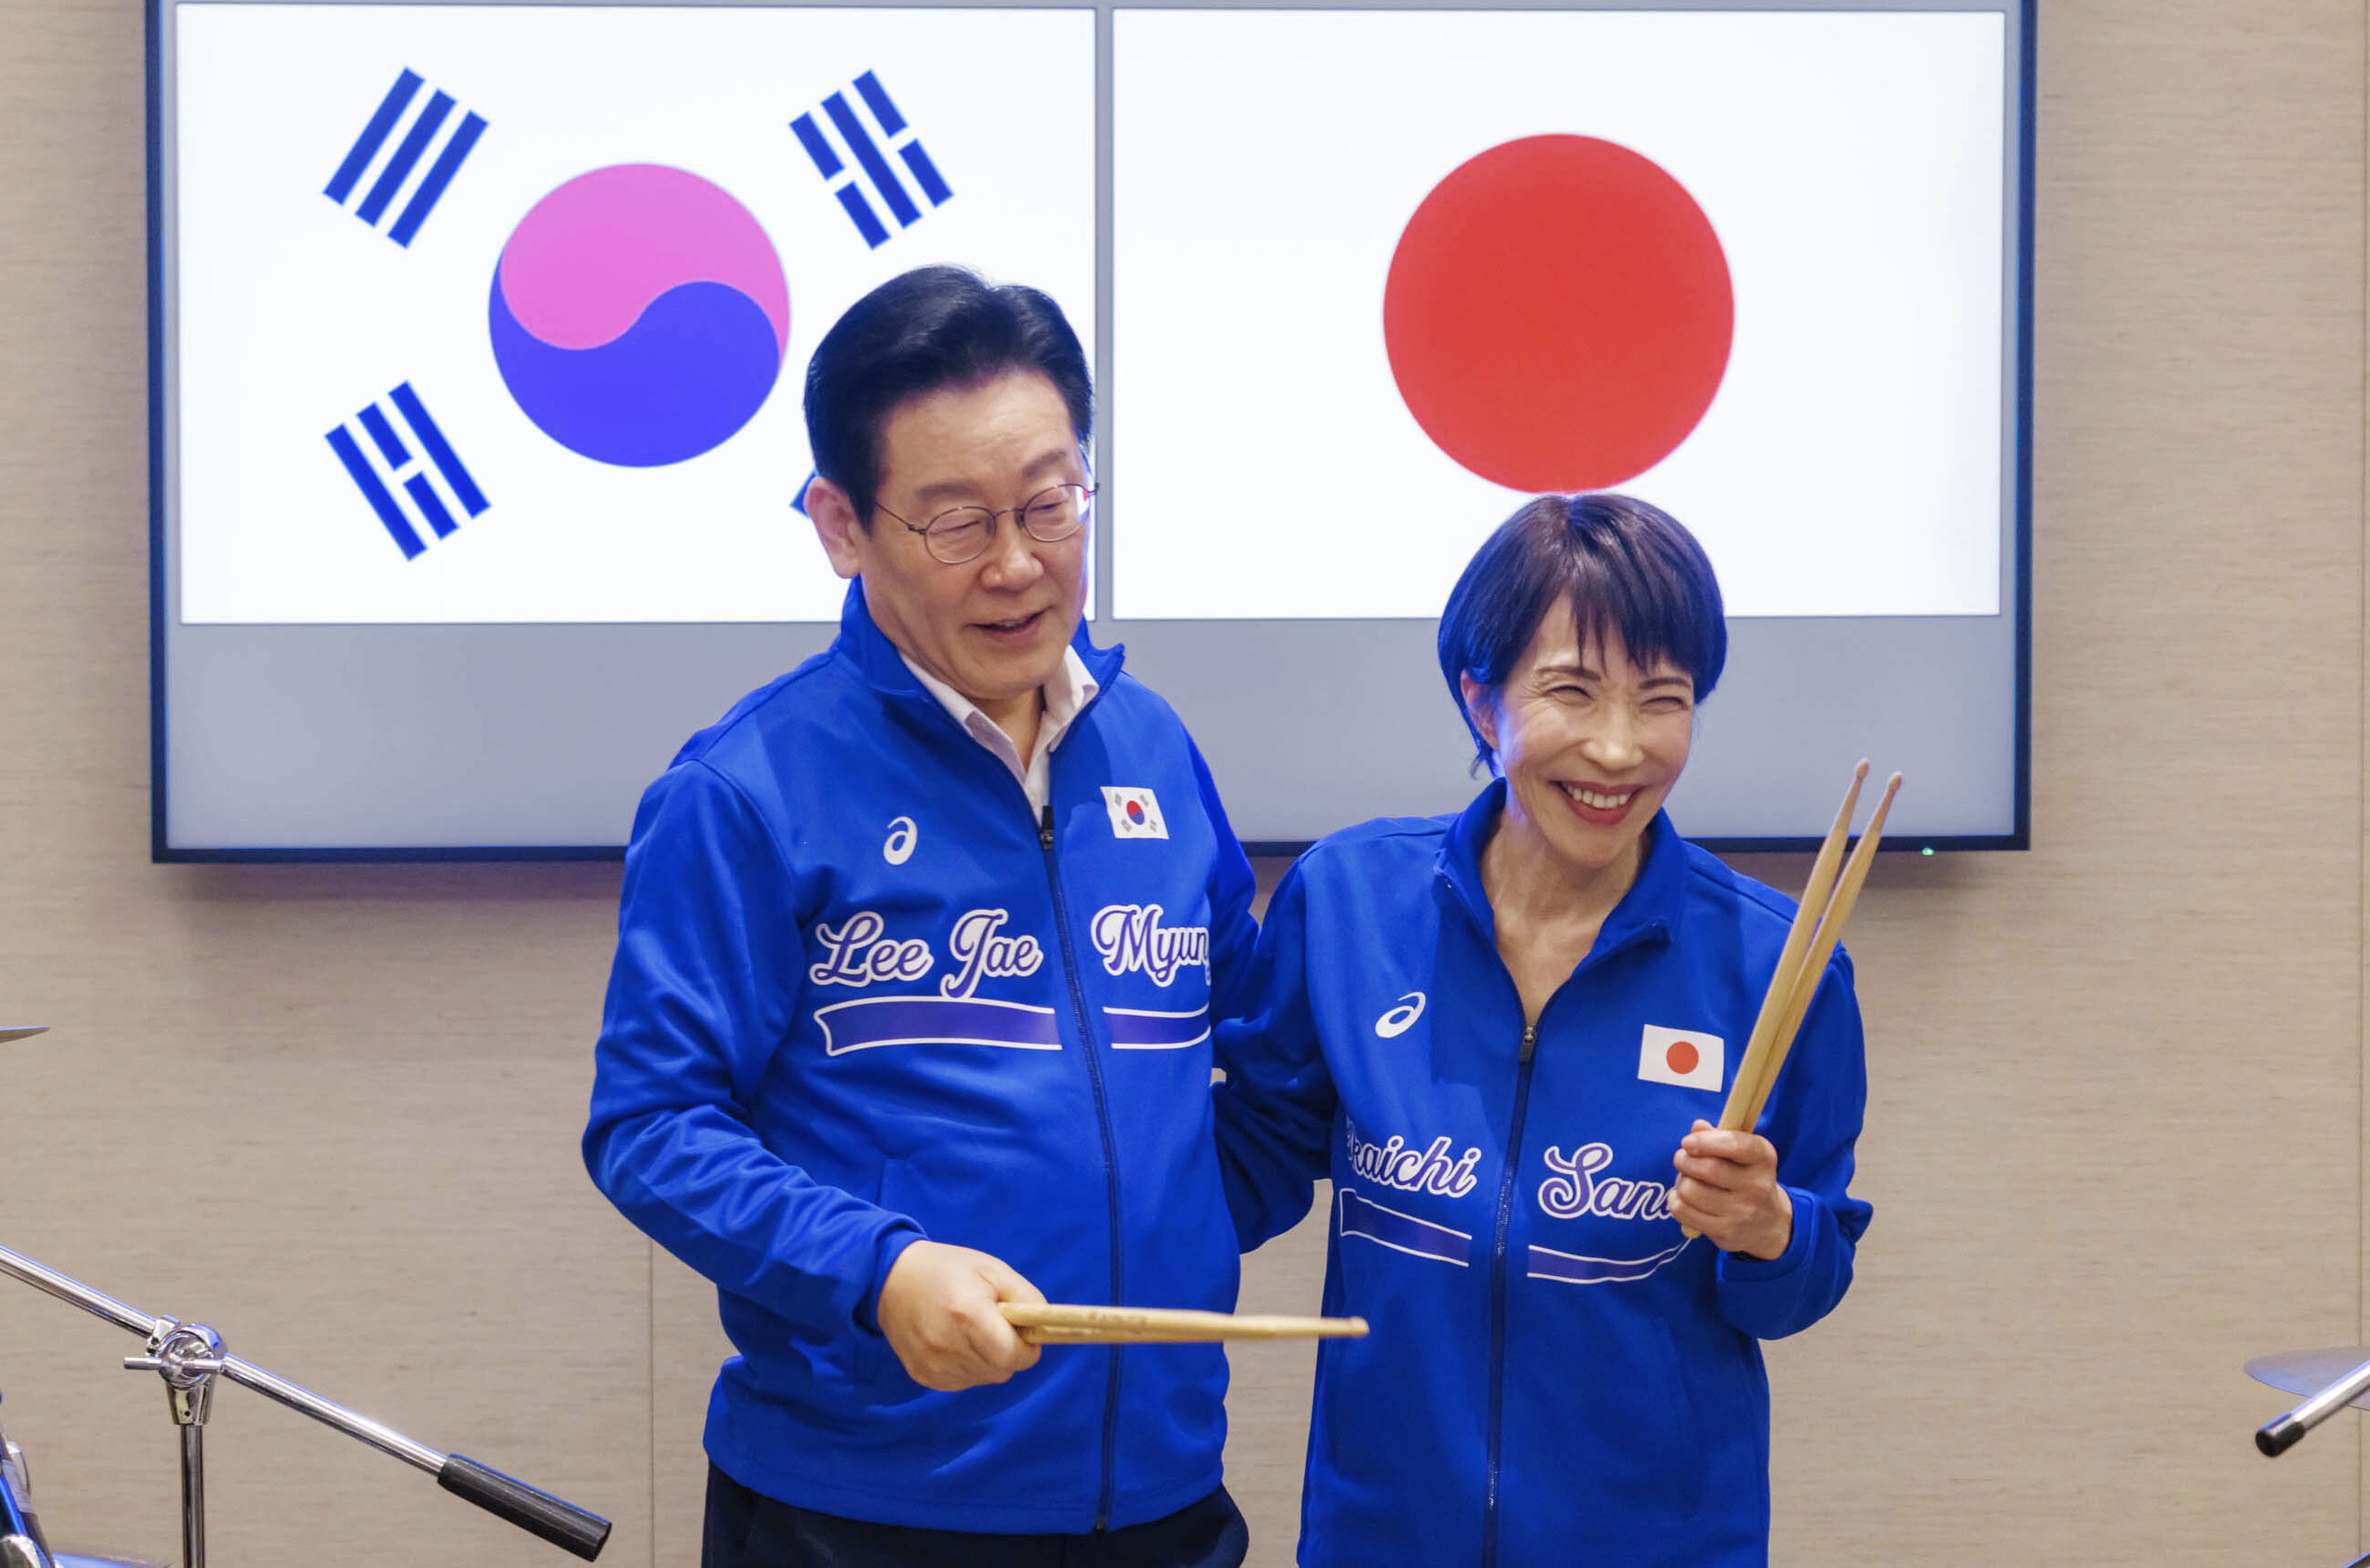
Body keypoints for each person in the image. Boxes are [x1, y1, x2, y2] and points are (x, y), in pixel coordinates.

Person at [584, 265, 1257, 1568]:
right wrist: (877, 1273)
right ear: (841, 523)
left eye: (1050, 505)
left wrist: (1182, 1219)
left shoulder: (1154, 750)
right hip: (867, 1512)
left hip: (1160, 1495)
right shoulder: (745, 790)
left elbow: (1253, 1059)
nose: (1018, 566)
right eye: (955, 523)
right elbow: (651, 1128)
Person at [1212, 493, 1872, 1566]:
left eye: (1663, 700)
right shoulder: (1348, 904)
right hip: (1380, 1535)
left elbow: (1805, 1278)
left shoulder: (1776, 965)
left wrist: (1770, 1227)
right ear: (1481, 699)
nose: (1618, 751)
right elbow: (1246, 1170)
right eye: (1570, 691)